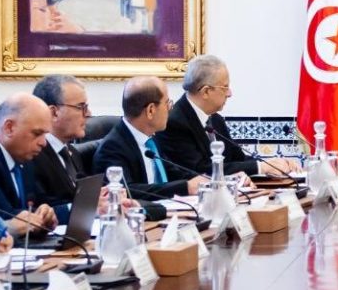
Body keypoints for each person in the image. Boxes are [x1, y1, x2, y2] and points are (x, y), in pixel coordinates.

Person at [156, 55, 298, 180]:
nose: (229, 93)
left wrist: (274, 164)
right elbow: (200, 170)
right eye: (225, 87)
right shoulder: (174, 123)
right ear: (206, 91)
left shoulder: (216, 119)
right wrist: (260, 167)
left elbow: (238, 159)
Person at [92, 76, 204, 199]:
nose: (170, 109)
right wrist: (184, 187)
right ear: (150, 110)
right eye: (167, 103)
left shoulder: (151, 138)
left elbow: (173, 172)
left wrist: (202, 180)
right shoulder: (112, 148)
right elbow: (127, 191)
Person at [0, 94, 58, 235]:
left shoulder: (24, 157)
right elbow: (0, 217)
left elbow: (31, 207)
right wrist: (37, 218)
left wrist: (45, 212)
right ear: (9, 128)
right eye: (37, 133)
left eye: (45, 134)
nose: (43, 143)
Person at [28, 74, 91, 218]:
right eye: (81, 107)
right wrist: (87, 206)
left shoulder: (72, 153)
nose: (88, 114)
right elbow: (38, 211)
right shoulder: (33, 154)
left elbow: (76, 198)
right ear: (53, 113)